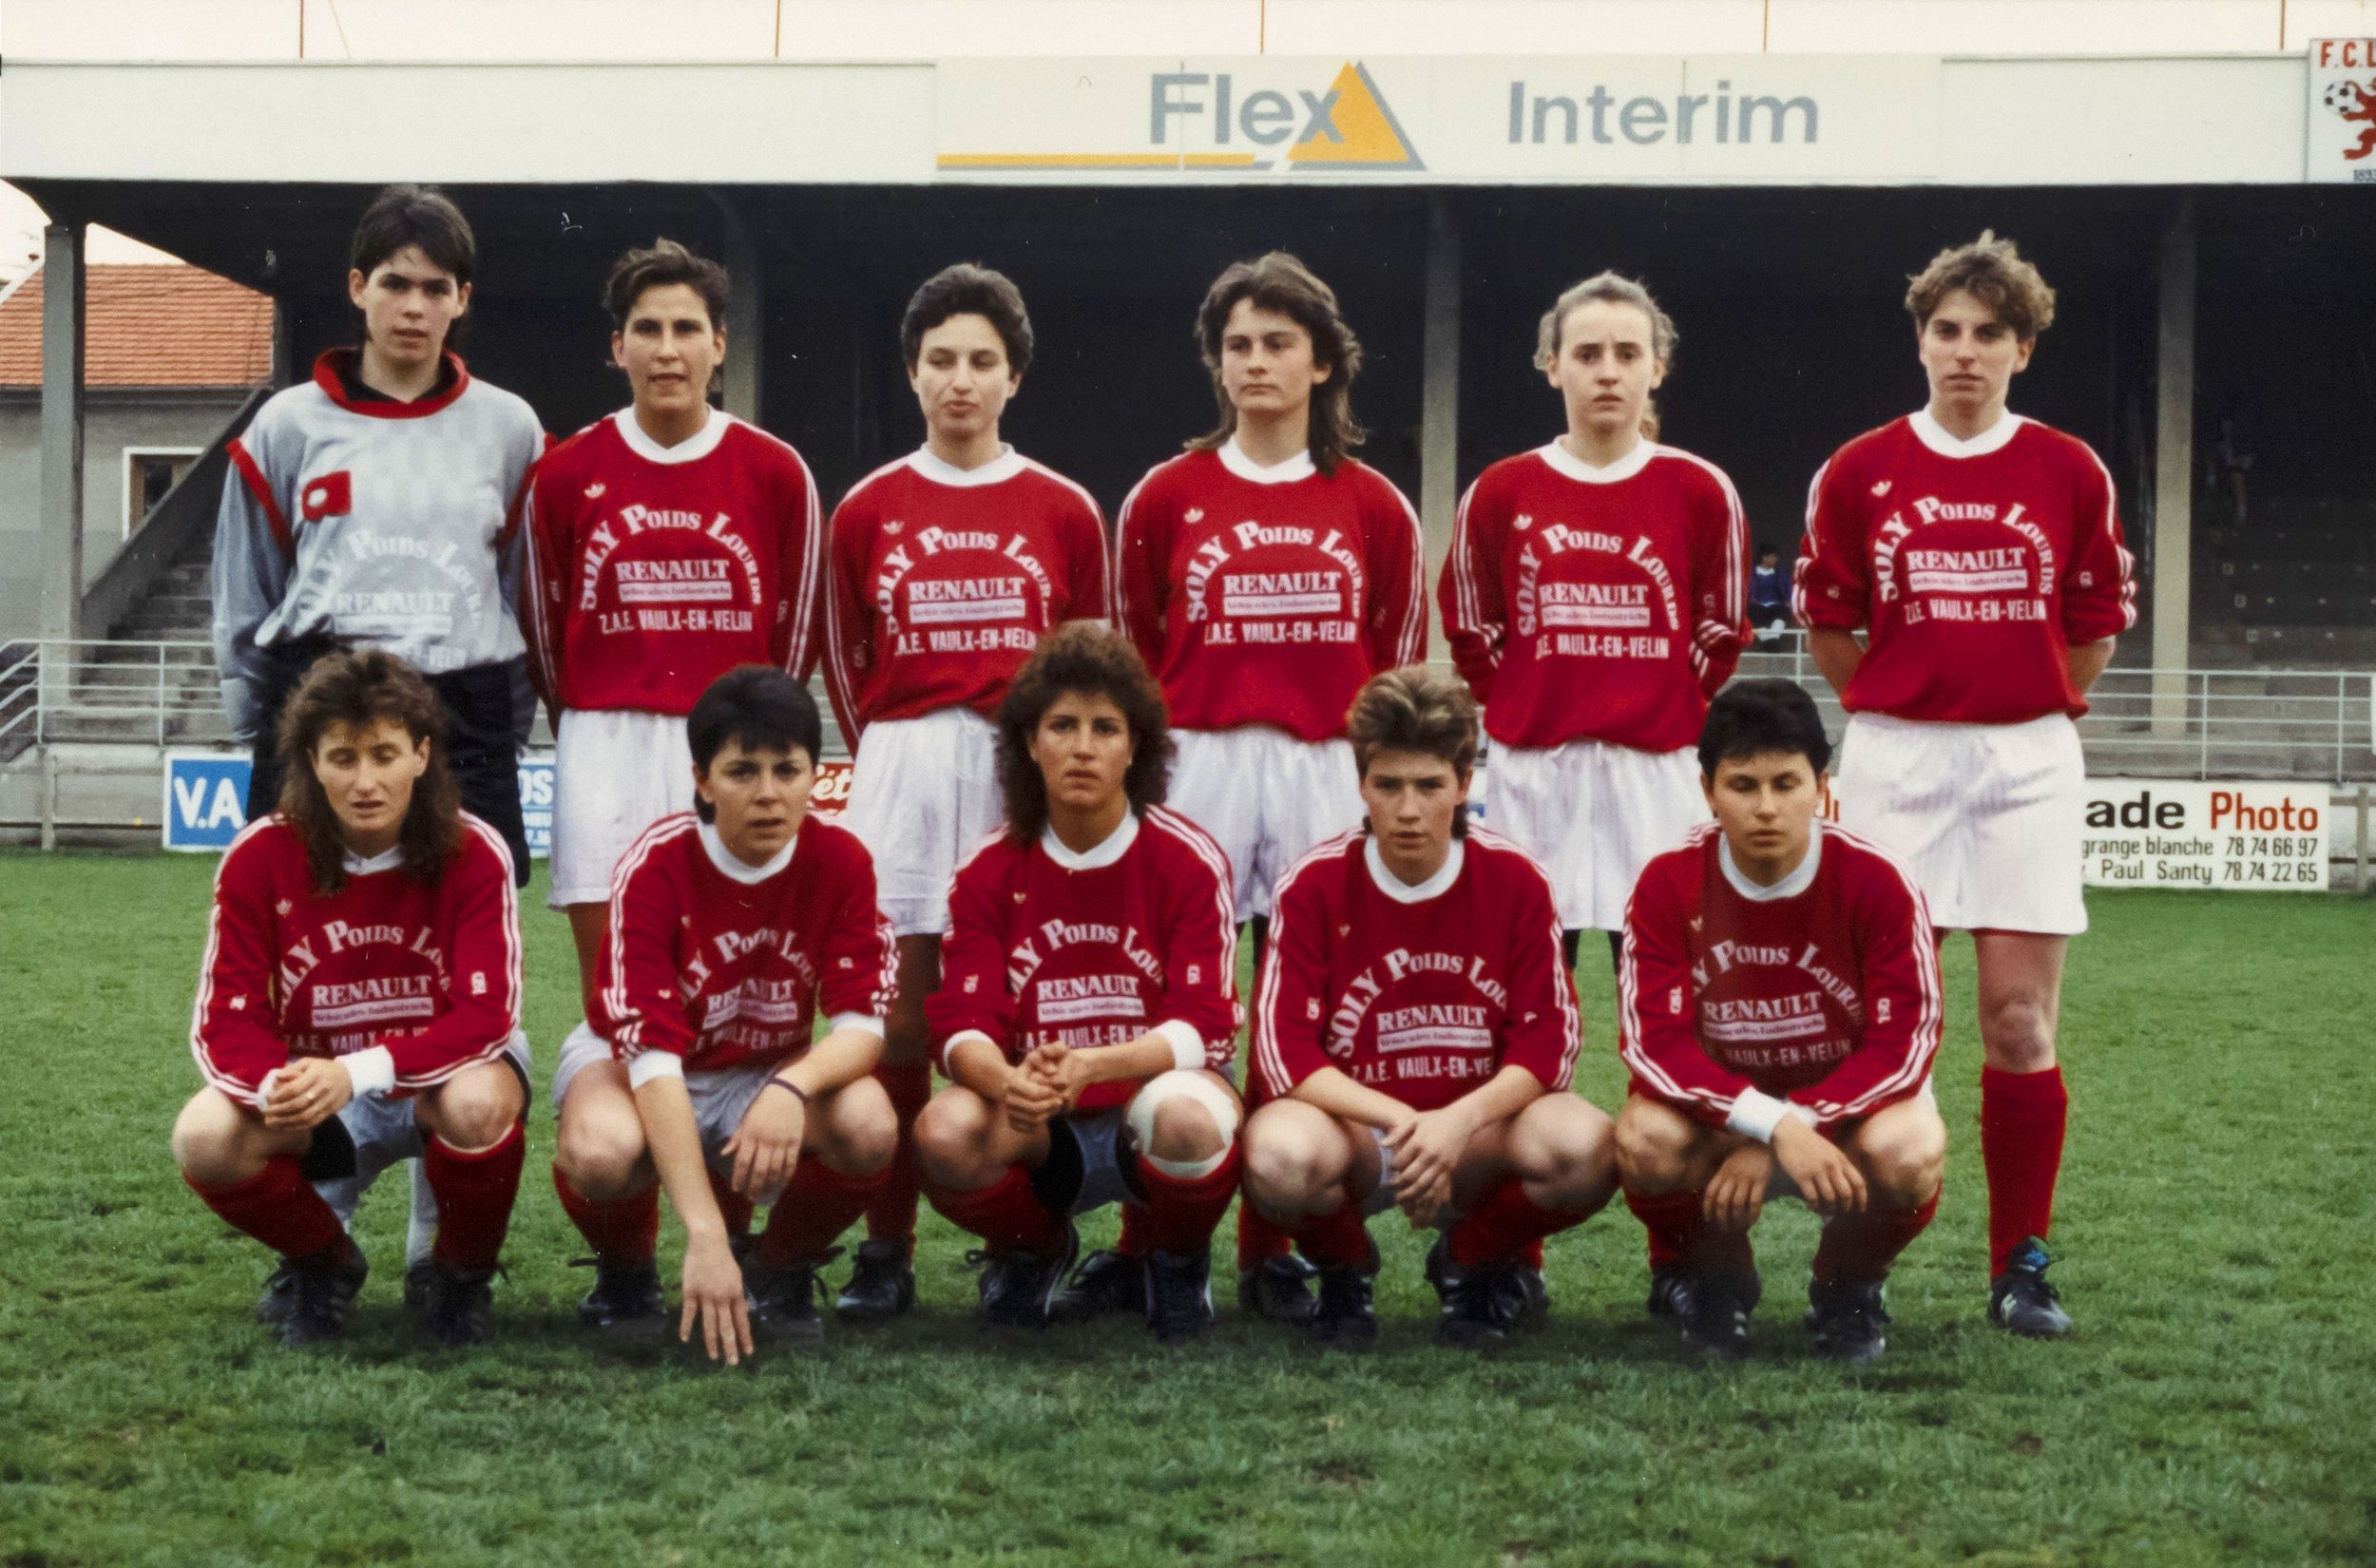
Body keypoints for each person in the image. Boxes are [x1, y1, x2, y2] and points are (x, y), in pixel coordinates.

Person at [1793, 231, 2135, 1337]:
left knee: (2019, 1017)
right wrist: (1902, 697)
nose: (1965, 351)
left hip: (2027, 755)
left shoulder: (2069, 468)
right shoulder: (1859, 466)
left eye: (1990, 334)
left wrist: (2016, 694)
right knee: (1884, 1017)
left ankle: (2019, 1263)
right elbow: (1831, 624)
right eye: (1946, 330)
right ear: (1921, 340)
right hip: (1897, 751)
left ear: (2022, 349)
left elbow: (2088, 632)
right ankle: (1858, 1263)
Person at [212, 185, 543, 1291]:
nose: (412, 304)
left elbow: (520, 589)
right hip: (325, 703)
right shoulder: (285, 425)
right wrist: (262, 732)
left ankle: (440, 1251)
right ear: (356, 289)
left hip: (459, 703)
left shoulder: (507, 426)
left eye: (435, 287)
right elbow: (242, 596)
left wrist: (493, 721)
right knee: (323, 971)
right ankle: (321, 1235)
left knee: (449, 961)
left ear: (461, 302)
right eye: (392, 282)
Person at [1113, 251, 1427, 1323]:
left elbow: (1389, 655)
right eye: (1237, 344)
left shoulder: (1372, 504)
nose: (1256, 362)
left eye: (1278, 343)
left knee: (1302, 1007)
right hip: (1200, 755)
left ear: (1324, 363)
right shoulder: (1166, 493)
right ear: (1215, 362)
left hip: (1318, 764)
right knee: (1176, 1000)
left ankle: (1272, 1245)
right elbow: (1137, 648)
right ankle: (1156, 1239)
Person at [519, 239, 824, 1311]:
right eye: (645, 328)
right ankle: (627, 1261)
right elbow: (544, 628)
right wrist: (593, 722)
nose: (666, 348)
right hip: (606, 737)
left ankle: (736, 1242)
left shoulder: (774, 468)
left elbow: (795, 622)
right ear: (616, 346)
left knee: (743, 986)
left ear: (720, 343)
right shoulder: (567, 473)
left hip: (729, 743)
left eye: (686, 327)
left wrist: (750, 749)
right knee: (623, 1009)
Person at [824, 264, 1110, 1324]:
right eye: (940, 360)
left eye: (981, 361)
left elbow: (1087, 657)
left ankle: (1024, 1242)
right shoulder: (868, 505)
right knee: (898, 1024)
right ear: (912, 373)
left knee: (1024, 1008)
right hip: (902, 766)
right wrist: (908, 741)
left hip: (1015, 772)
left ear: (1013, 377)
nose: (960, 379)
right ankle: (884, 1248)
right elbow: (844, 658)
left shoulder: (1063, 506)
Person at [1241, 667, 1615, 1347]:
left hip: (1476, 1137)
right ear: (1361, 785)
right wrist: (1407, 1122)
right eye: (1388, 786)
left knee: (1584, 1146)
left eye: (1429, 786)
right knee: (1276, 1155)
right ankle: (1346, 1266)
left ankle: (1473, 1261)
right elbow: (1283, 1051)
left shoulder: (1516, 880)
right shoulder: (1314, 884)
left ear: (1465, 784)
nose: (1408, 810)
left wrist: (1456, 1123)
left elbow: (1547, 1045)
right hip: (1358, 1135)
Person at [174, 650, 528, 1348]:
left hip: (437, 1076)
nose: (365, 781)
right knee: (205, 1136)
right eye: (342, 757)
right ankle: (322, 1263)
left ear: (422, 755)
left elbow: (486, 1018)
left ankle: (456, 1277)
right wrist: (279, 1085)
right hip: (323, 1091)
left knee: (479, 1103)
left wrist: (360, 1071)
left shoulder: (474, 850)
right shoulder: (260, 856)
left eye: (385, 754)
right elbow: (227, 1019)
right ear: (311, 760)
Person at [548, 666, 897, 1360]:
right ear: (702, 780)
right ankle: (627, 1274)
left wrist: (790, 1087)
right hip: (637, 1063)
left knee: (868, 1122)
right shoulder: (656, 865)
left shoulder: (842, 860)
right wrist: (703, 1237)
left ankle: (778, 1269)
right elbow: (651, 1058)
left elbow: (863, 1028)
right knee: (600, 1150)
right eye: (741, 771)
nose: (768, 794)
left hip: (765, 1068)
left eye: (786, 770)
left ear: (812, 775)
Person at [913, 623, 1242, 1339]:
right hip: (1038, 1121)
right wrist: (1009, 1084)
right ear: (1030, 743)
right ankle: (1033, 1250)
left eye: (1105, 727)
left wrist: (1095, 1064)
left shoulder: (1187, 859)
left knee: (1190, 1114)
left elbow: (1206, 1024)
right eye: (1062, 726)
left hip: (1146, 1114)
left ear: (1136, 746)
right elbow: (961, 1024)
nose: (1083, 746)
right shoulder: (988, 870)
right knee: (944, 1131)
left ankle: (1173, 1256)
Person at [1615, 679, 1946, 1363]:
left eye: (1785, 782)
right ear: (1708, 789)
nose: (1765, 807)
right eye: (1742, 785)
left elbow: (1904, 1047)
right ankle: (1718, 1280)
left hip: (1842, 1118)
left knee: (1910, 1149)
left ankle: (1847, 1287)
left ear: (1822, 786)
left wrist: (1797, 1124)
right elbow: (1656, 1047)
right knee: (1644, 1140)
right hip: (1722, 1121)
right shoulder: (1668, 881)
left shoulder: (1879, 879)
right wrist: (1769, 1124)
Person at [1441, 272, 1746, 975]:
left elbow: (1721, 627)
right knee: (1529, 970)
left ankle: (1668, 1091)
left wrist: (1668, 704)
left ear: (1657, 368)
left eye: (1628, 353)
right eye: (1585, 354)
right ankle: (1531, 1092)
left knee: (1667, 968)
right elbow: (1471, 624)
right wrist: (1521, 697)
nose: (1607, 372)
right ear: (1552, 366)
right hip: (1538, 765)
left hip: (1656, 767)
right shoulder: (1502, 488)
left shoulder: (1700, 488)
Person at [1749, 547, 1792, 639]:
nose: (1775, 559)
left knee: (1783, 611)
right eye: (1772, 557)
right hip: (1757, 605)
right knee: (1753, 612)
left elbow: (1788, 589)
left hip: (1775, 604)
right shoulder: (1751, 573)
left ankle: (1773, 637)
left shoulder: (1780, 574)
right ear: (1764, 557)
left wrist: (1788, 600)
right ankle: (1766, 640)